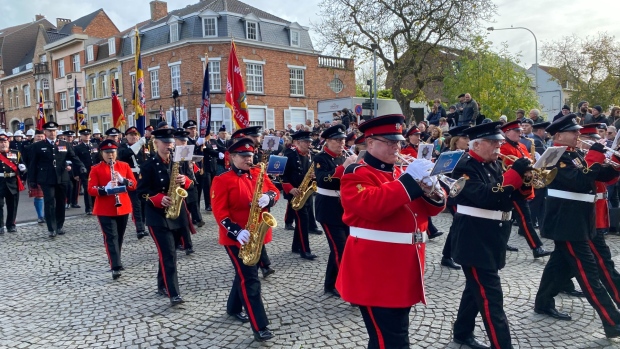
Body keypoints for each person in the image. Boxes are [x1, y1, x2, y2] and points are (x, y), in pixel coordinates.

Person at [336, 114, 446, 348]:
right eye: (390, 142)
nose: (397, 147)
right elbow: (373, 206)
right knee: (392, 340)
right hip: (376, 271)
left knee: (390, 336)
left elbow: (429, 212)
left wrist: (432, 188)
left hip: (405, 267)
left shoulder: (400, 172)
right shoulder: (357, 173)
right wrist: (409, 180)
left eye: (398, 141)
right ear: (370, 142)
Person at [534, 114, 620, 339]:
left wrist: (614, 165)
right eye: (574, 132)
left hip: (580, 219)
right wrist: (595, 156)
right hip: (567, 222)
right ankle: (613, 322)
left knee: (559, 265)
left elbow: (597, 174)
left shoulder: (575, 154)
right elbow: (580, 181)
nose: (578, 135)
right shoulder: (553, 157)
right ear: (560, 135)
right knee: (588, 273)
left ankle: (543, 302)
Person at [451, 121, 533, 349]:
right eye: (494, 142)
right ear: (477, 145)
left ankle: (462, 332)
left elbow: (509, 197)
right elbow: (486, 196)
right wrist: (514, 176)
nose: (499, 147)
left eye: (499, 142)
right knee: (492, 299)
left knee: (474, 290)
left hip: (493, 236)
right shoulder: (464, 167)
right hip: (474, 239)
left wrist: (525, 180)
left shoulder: (494, 164)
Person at [211, 137, 279, 342]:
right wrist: (236, 231)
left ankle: (232, 308)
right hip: (237, 238)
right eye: (244, 156)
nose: (249, 159)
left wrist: (269, 197)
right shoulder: (222, 180)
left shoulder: (259, 173)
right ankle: (260, 326)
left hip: (257, 234)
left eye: (251, 155)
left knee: (244, 272)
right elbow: (219, 213)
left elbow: (274, 191)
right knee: (250, 279)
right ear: (232, 157)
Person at [137, 128, 195, 306]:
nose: (169, 145)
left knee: (168, 253)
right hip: (157, 216)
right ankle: (174, 293)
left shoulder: (179, 160)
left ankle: (162, 283)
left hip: (176, 213)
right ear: (156, 144)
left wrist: (185, 181)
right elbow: (140, 192)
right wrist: (157, 198)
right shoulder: (148, 165)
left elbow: (192, 185)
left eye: (171, 142)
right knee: (169, 254)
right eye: (165, 142)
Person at [313, 125, 358, 298]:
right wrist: (344, 166)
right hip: (328, 209)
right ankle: (348, 287)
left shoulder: (344, 156)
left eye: (343, 140)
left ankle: (330, 284)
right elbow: (324, 180)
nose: (341, 143)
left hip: (344, 207)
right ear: (328, 141)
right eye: (337, 140)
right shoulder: (320, 158)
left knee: (340, 247)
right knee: (341, 249)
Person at [500, 121, 552, 258]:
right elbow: (505, 168)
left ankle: (502, 243)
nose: (520, 133)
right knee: (525, 219)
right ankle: (537, 248)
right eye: (516, 131)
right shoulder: (503, 148)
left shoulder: (523, 145)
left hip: (524, 185)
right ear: (507, 133)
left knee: (509, 219)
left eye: (520, 130)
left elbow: (529, 162)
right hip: (514, 188)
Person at [87, 140, 137, 280]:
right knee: (111, 237)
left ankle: (116, 258)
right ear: (102, 154)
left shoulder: (124, 166)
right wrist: (105, 189)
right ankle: (115, 265)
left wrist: (123, 180)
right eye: (107, 153)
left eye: (113, 153)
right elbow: (91, 189)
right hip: (104, 208)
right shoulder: (96, 168)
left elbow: (134, 185)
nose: (110, 155)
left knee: (119, 236)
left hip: (123, 206)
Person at [28, 121, 85, 237]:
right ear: (45, 132)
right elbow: (33, 164)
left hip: (62, 177)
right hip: (46, 178)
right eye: (49, 131)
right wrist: (32, 180)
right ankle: (51, 227)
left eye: (54, 131)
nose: (52, 133)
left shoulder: (64, 144)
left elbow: (74, 157)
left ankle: (59, 225)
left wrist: (81, 166)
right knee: (49, 202)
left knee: (60, 202)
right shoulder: (37, 146)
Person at [281, 131, 317, 260]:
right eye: (306, 142)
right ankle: (304, 250)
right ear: (297, 142)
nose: (309, 144)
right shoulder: (289, 154)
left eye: (309, 142)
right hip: (295, 192)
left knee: (303, 220)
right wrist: (289, 188)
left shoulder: (310, 155)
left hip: (305, 191)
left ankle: (296, 246)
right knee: (303, 221)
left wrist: (314, 176)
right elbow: (281, 175)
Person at [440, 125, 469, 270]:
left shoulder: (467, 154)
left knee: (459, 226)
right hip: (454, 197)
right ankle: (447, 256)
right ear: (456, 141)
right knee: (458, 225)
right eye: (465, 138)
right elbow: (443, 177)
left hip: (464, 196)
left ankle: (450, 255)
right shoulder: (449, 155)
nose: (468, 140)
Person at [117, 127, 149, 239]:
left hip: (143, 177)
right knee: (136, 204)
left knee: (145, 202)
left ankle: (144, 224)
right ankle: (140, 228)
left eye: (135, 135)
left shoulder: (144, 146)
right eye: (130, 135)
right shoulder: (121, 147)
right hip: (131, 177)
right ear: (126, 136)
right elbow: (125, 154)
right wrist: (139, 143)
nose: (133, 137)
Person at [0, 133, 26, 233]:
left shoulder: (16, 153)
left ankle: (11, 225)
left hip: (12, 181)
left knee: (12, 205)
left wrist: (23, 170)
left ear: (8, 142)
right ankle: (0, 226)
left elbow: (22, 165)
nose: (3, 144)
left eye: (5, 142)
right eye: (1, 142)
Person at [23, 130, 45, 224]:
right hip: (35, 174)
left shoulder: (48, 146)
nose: (39, 138)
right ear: (34, 137)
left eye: (41, 136)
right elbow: (24, 162)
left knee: (50, 196)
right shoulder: (28, 148)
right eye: (38, 136)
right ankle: (40, 216)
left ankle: (48, 215)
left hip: (48, 174)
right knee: (39, 196)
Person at [74, 129, 97, 215]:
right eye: (84, 135)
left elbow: (97, 158)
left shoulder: (94, 145)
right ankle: (89, 208)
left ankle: (95, 207)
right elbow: (76, 161)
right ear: (81, 136)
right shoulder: (77, 148)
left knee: (95, 189)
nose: (87, 136)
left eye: (88, 134)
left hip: (95, 171)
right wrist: (76, 173)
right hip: (85, 172)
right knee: (88, 190)